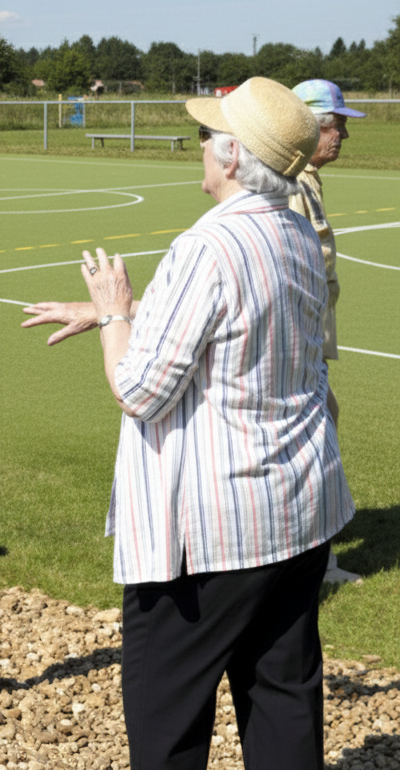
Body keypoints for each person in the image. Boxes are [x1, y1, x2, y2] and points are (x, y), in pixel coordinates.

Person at [22, 77, 355, 770]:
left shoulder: (206, 248)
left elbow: (139, 390)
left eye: (208, 137)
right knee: (283, 697)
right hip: (296, 510)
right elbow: (243, 321)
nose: (199, 148)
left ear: (232, 157)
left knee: (166, 714)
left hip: (212, 534)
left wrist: (114, 309)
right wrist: (128, 316)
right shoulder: (295, 227)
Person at [291, 79, 366, 584]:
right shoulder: (293, 185)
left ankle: (314, 560)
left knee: (323, 431)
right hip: (296, 342)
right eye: (333, 125)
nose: (341, 134)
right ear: (308, 128)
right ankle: (314, 565)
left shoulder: (308, 179)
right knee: (316, 440)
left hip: (308, 340)